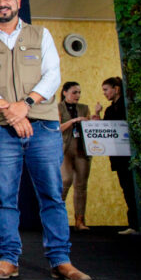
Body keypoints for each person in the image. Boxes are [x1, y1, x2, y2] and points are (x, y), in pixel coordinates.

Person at [0, 0, 91, 280]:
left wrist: (25, 105)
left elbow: (52, 76)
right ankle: (8, 259)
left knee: (51, 194)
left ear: (18, 2)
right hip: (1, 129)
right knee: (4, 197)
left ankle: (61, 260)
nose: (2, 4)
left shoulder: (41, 34)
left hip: (43, 127)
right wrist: (11, 112)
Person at [93, 76, 138, 235]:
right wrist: (97, 115)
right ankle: (134, 224)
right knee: (127, 189)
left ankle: (137, 224)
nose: (104, 93)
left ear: (116, 89)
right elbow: (106, 133)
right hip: (118, 157)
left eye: (106, 89)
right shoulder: (110, 110)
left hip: (130, 155)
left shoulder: (127, 106)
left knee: (132, 189)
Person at [59, 81, 92, 231]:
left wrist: (94, 119)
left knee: (81, 185)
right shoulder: (58, 108)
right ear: (65, 92)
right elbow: (57, 128)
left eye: (79, 92)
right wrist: (74, 121)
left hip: (81, 148)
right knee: (65, 180)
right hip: (65, 149)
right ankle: (56, 218)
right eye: (74, 92)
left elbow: (90, 127)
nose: (77, 95)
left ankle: (80, 220)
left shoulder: (84, 108)